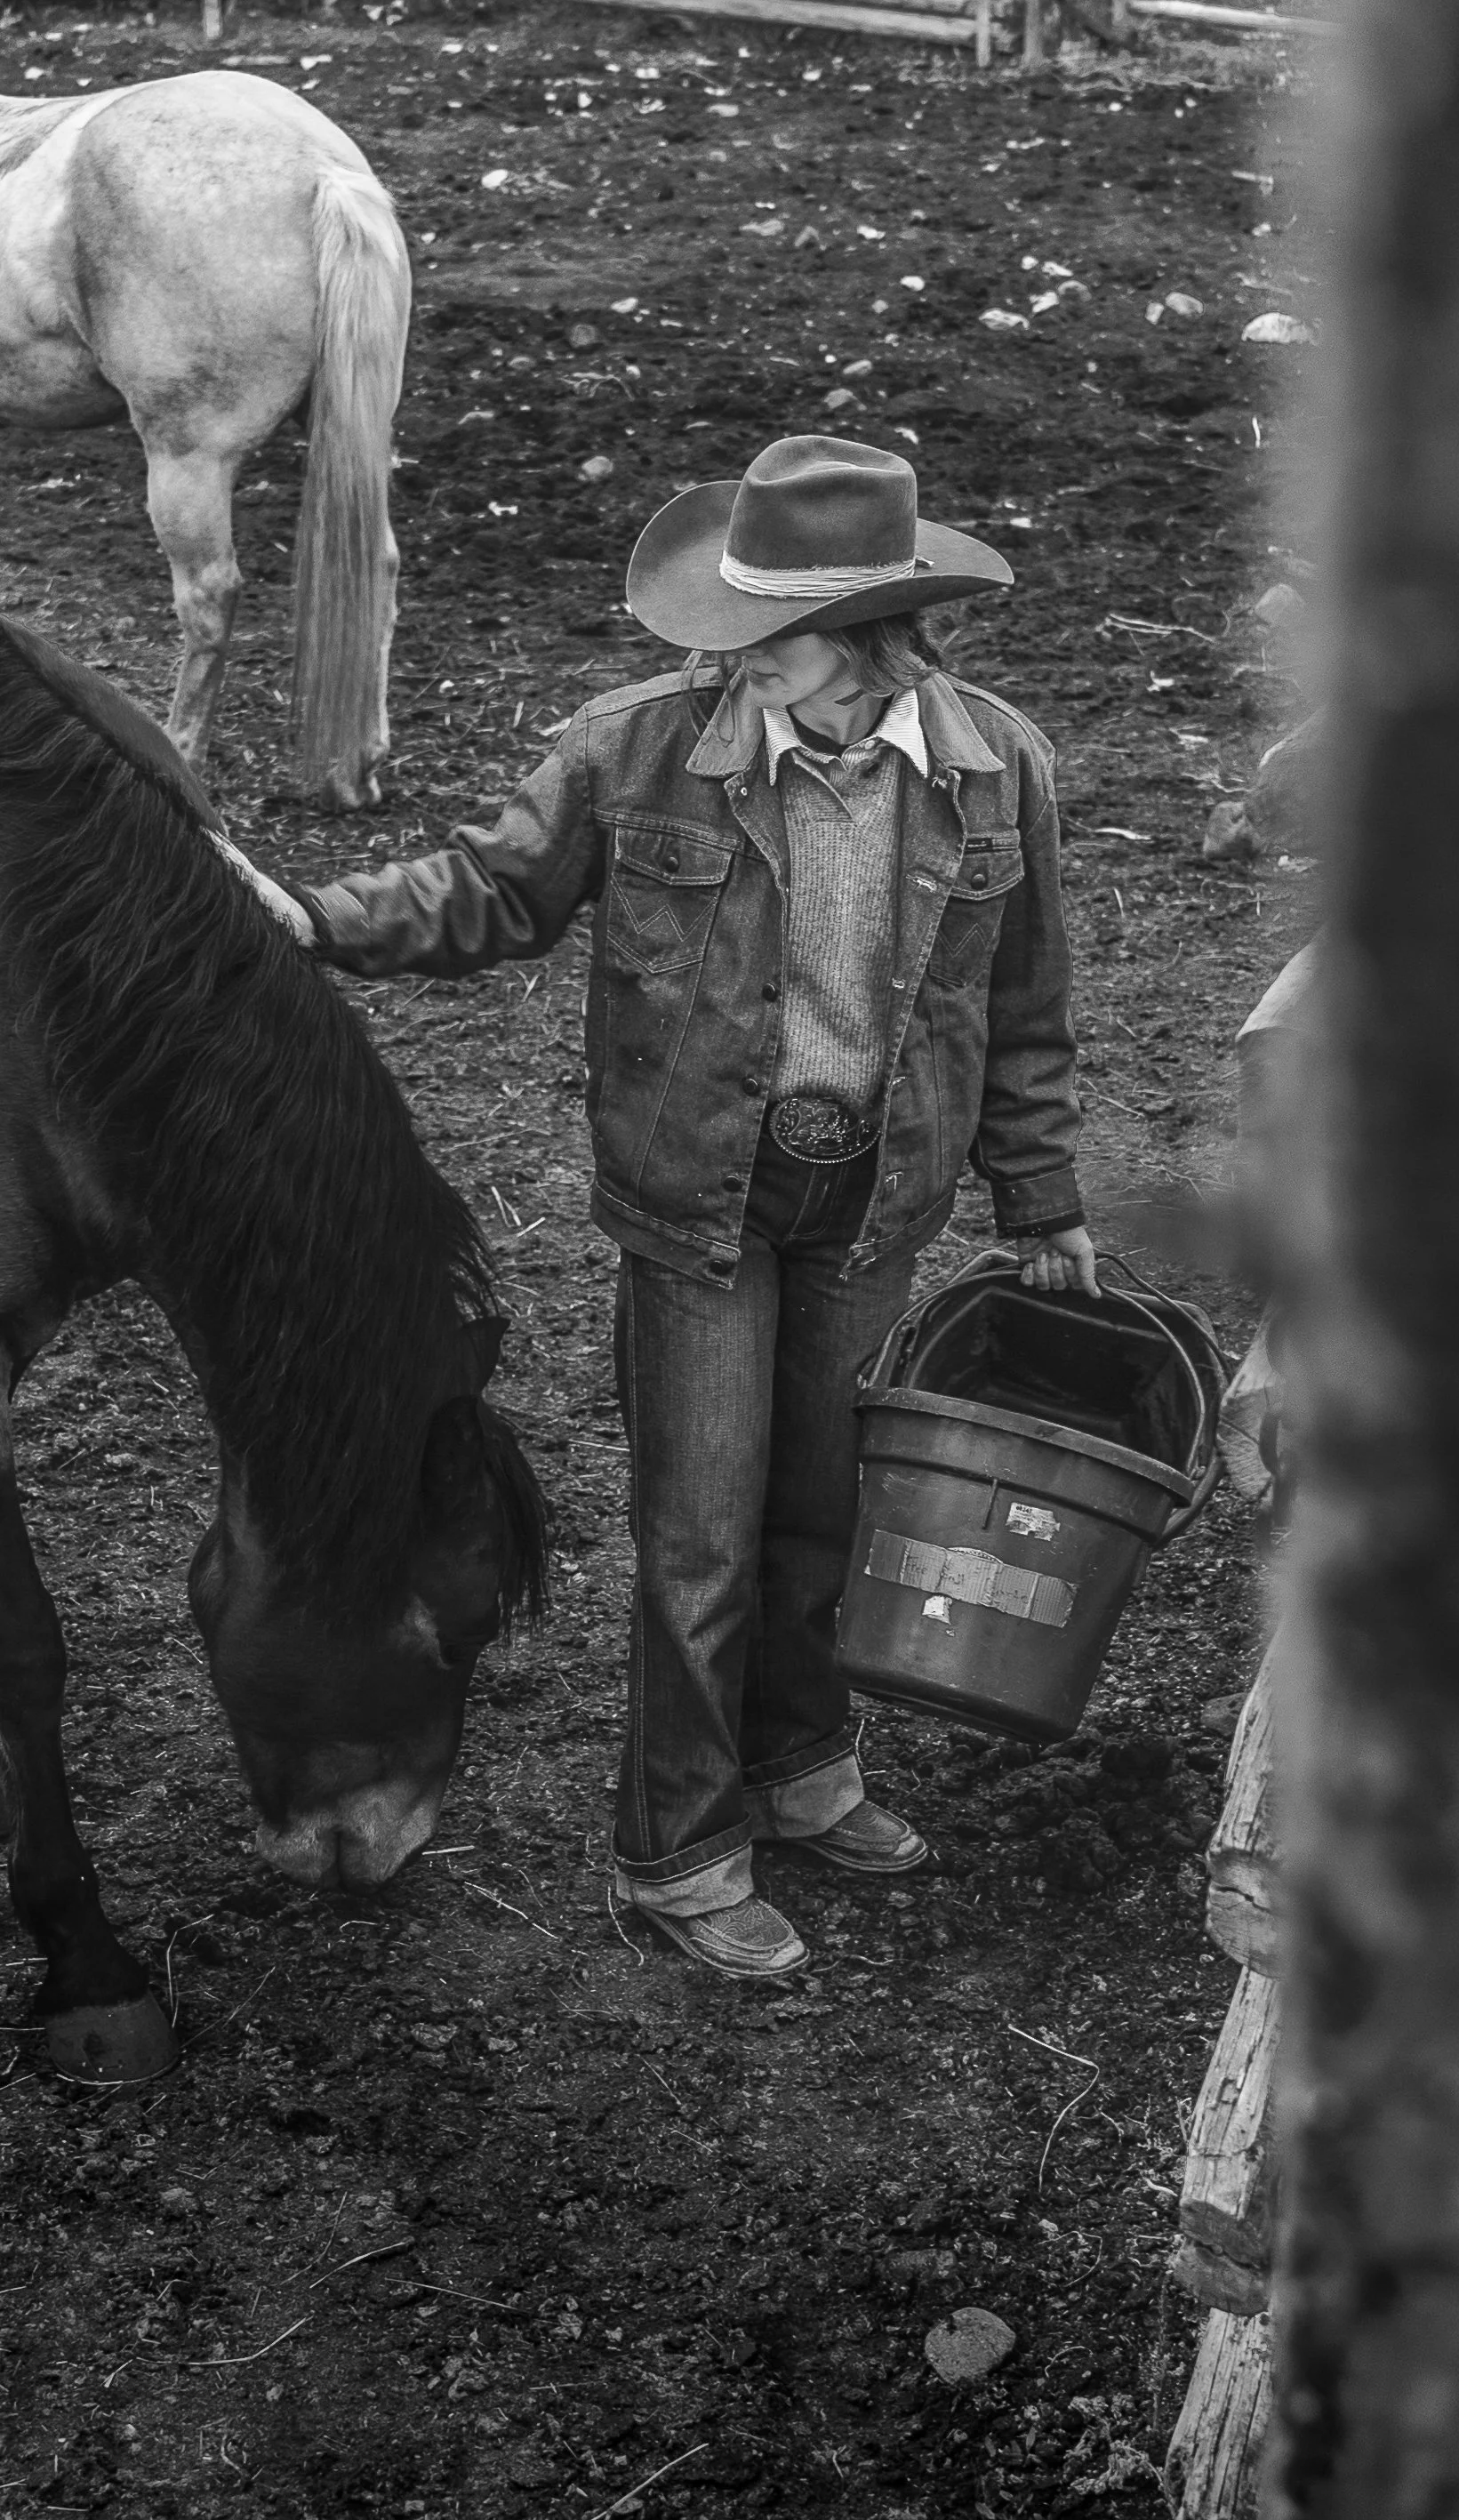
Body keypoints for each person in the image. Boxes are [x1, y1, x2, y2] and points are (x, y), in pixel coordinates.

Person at [287, 437, 1094, 1983]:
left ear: (871, 641)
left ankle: (800, 1771)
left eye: (766, 638)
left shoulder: (1000, 768)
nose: (723, 659)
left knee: (822, 1513)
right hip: (699, 1206)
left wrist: (1038, 1193)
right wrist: (315, 918)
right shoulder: (637, 749)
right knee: (700, 1540)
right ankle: (677, 1848)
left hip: (877, 1199)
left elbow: (1028, 1002)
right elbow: (490, 891)